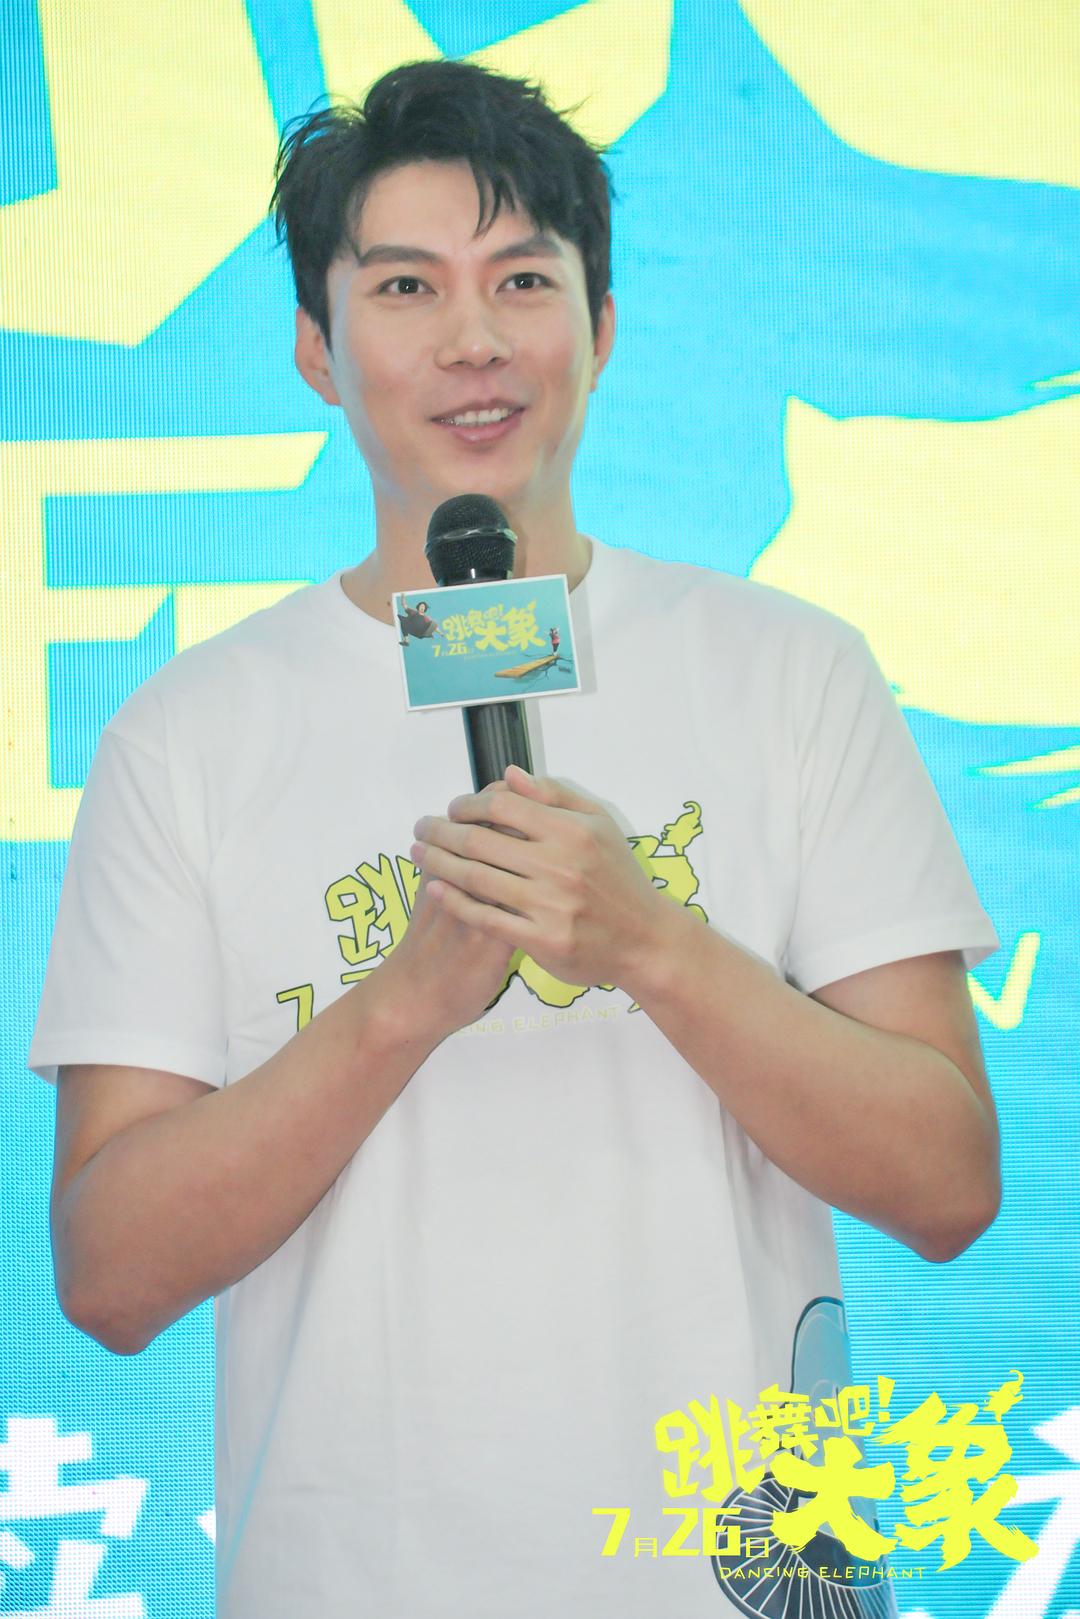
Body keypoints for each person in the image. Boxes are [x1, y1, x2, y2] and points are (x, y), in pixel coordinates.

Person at [29, 58, 1002, 1619]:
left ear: (600, 326)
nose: (473, 339)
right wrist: (404, 1005)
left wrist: (654, 947)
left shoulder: (791, 674)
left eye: (523, 281)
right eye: (405, 286)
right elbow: (111, 1277)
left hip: (735, 1577)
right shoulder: (188, 735)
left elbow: (948, 1186)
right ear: (316, 347)